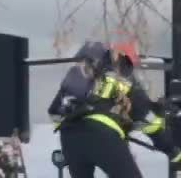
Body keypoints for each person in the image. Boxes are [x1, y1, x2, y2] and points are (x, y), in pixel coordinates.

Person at [48, 40, 181, 177]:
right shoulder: (125, 81)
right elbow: (149, 122)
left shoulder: (84, 76)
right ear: (126, 62)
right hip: (102, 137)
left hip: (69, 138)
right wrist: (173, 151)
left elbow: (56, 113)